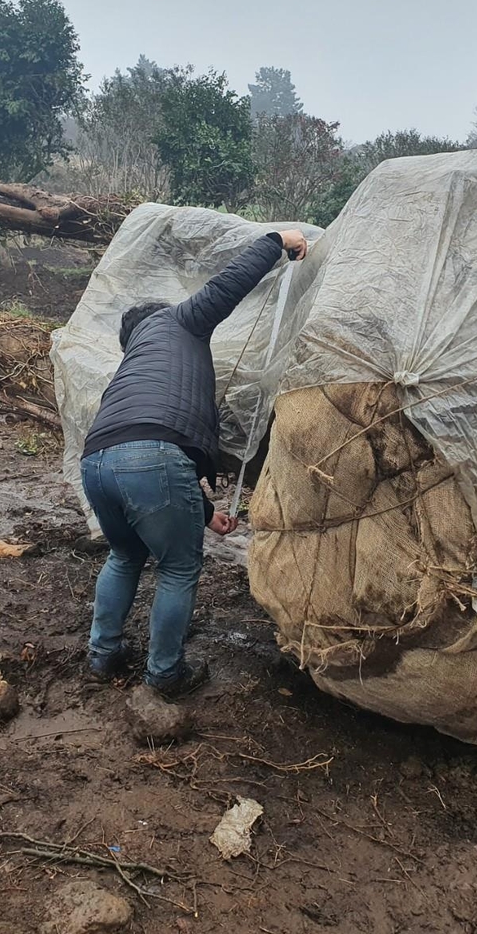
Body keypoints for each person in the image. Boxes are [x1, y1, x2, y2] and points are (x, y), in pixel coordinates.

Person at [80, 228, 309, 696]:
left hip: (97, 462)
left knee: (124, 555)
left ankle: (103, 654)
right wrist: (277, 239)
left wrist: (206, 515)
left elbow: (147, 470)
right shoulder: (177, 322)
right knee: (179, 569)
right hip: (151, 458)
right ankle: (165, 675)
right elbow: (228, 285)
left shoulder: (134, 362)